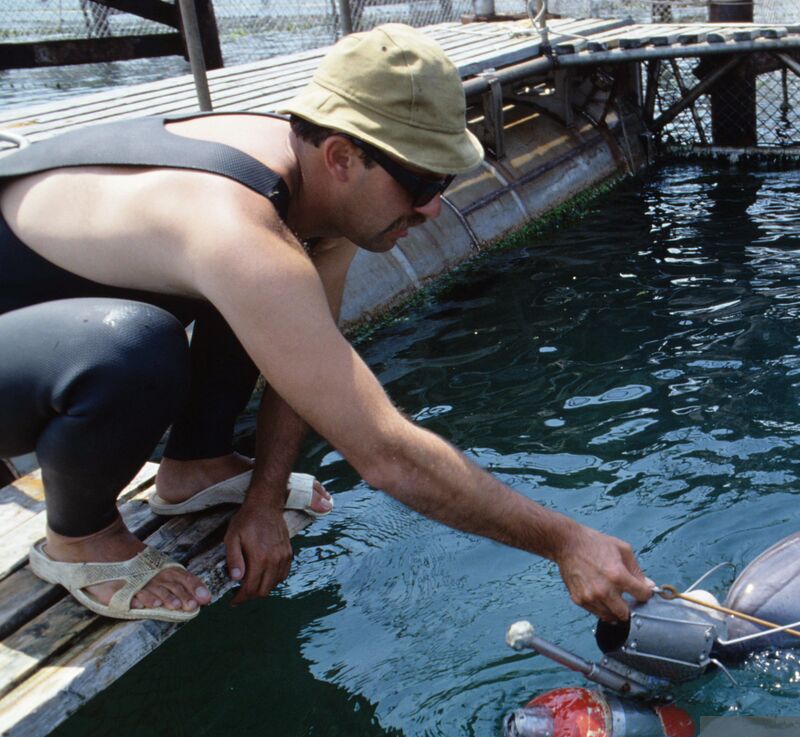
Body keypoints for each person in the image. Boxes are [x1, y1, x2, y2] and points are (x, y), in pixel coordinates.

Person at [0, 24, 652, 624]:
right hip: (41, 344)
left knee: (272, 305)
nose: (432, 208)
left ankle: (194, 465)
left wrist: (264, 497)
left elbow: (312, 356)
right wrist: (567, 540)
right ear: (341, 156)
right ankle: (80, 537)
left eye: (446, 179)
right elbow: (386, 456)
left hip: (40, 333)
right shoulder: (233, 225)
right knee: (134, 346)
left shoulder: (310, 191)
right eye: (420, 182)